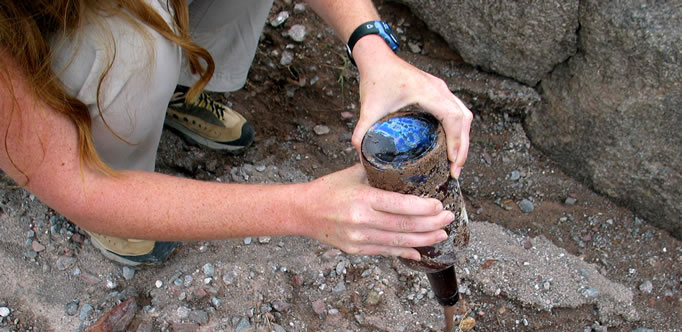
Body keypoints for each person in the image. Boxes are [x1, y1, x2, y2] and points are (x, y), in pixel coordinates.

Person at [0, 0, 472, 266]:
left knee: (151, 32)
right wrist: (303, 209)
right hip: (34, 42)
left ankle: (176, 88)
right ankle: (120, 190)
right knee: (132, 48)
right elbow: (78, 186)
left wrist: (371, 46)